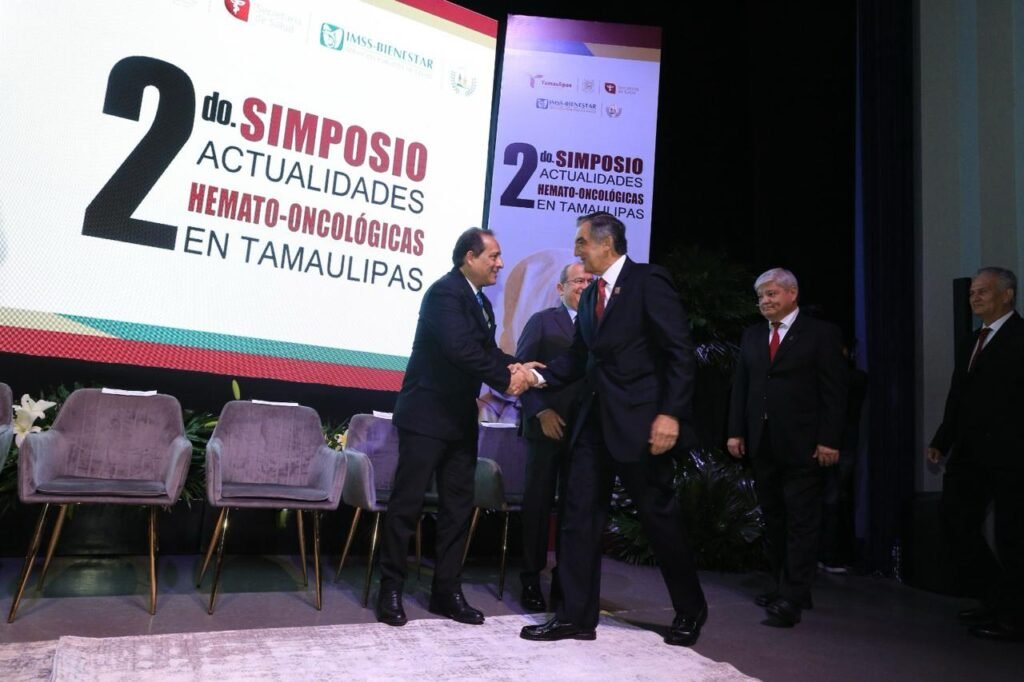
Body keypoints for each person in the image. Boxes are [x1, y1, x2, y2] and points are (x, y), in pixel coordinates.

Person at [519, 212, 708, 647]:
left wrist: (671, 414)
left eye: (582, 242)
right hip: (593, 424)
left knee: (659, 519)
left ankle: (690, 609)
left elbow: (679, 352)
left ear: (606, 244)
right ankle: (575, 616)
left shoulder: (648, 281)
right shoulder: (590, 297)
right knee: (578, 517)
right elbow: (577, 359)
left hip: (642, 424)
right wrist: (534, 376)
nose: (576, 249)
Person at [376, 227, 536, 627]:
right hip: (426, 417)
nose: (500, 263)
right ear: (470, 257)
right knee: (407, 505)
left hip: (459, 421)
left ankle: (446, 592)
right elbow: (461, 351)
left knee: (458, 509)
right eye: (493, 256)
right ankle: (390, 589)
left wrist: (518, 367)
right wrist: (507, 380)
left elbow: (485, 351)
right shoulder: (444, 294)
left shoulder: (481, 302)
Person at [726, 268, 847, 628]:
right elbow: (742, 387)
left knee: (801, 521)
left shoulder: (821, 334)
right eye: (760, 296)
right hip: (762, 443)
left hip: (805, 445)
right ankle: (785, 585)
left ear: (792, 294)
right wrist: (735, 432)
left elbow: (835, 392)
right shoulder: (752, 335)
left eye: (771, 294)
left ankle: (792, 598)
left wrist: (829, 439)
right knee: (774, 517)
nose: (764, 301)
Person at [926, 266, 1024, 642]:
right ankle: (998, 598)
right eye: (972, 292)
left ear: (1007, 295)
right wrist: (942, 440)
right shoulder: (971, 341)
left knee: (1012, 537)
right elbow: (959, 396)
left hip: (1011, 457)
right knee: (955, 523)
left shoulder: (1020, 337)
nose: (975, 297)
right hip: (969, 454)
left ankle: (1014, 616)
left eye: (984, 291)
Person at [514, 262, 591, 612]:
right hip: (545, 429)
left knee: (575, 509)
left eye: (589, 280)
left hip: (584, 432)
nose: (584, 286)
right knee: (538, 506)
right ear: (561, 289)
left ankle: (565, 581)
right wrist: (541, 412)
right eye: (578, 281)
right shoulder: (542, 321)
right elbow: (522, 373)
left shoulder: (599, 326)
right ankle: (530, 579)